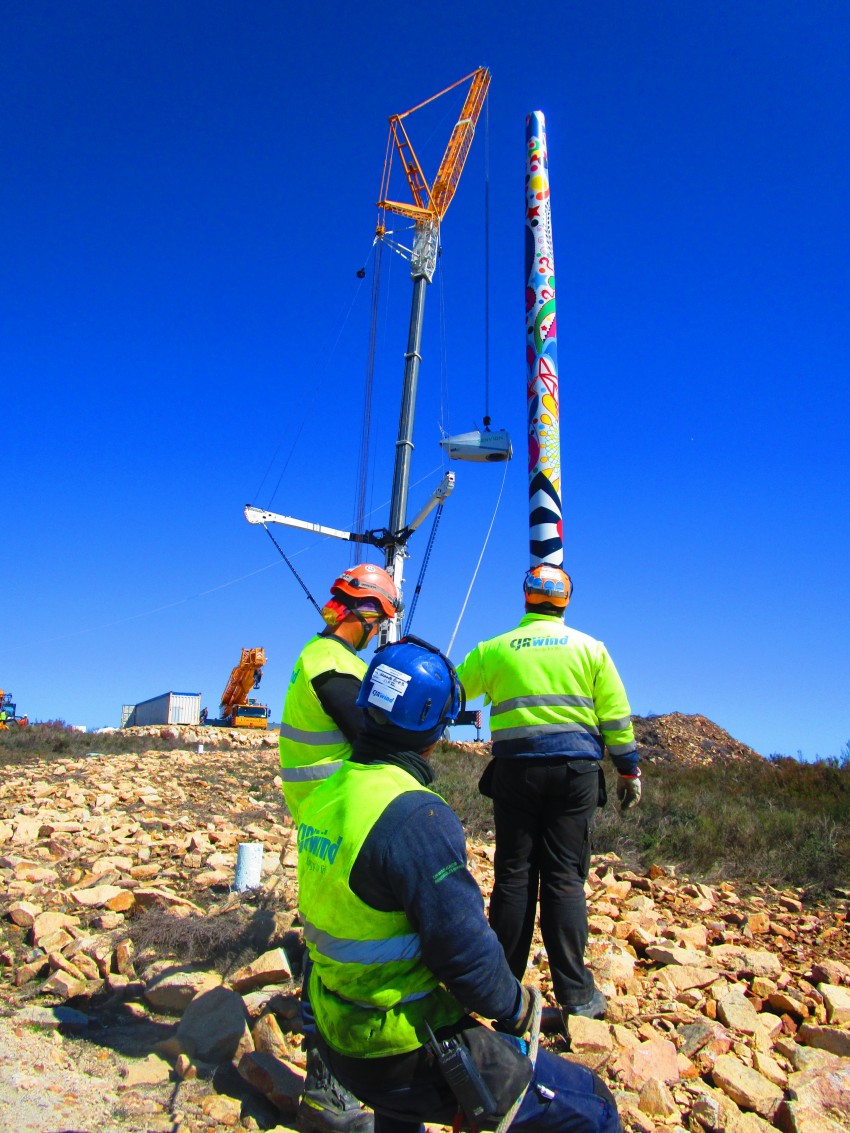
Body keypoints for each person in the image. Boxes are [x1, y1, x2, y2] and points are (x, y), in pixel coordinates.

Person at [296, 636, 621, 1133]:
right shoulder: (414, 815)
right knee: (593, 1105)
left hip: (338, 1036)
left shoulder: (321, 799)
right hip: (403, 1048)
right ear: (434, 731)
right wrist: (519, 1009)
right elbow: (464, 954)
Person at [455, 564, 641, 1025]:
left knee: (513, 875)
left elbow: (454, 690)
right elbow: (616, 716)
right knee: (564, 879)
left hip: (515, 771)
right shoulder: (591, 649)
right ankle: (576, 996)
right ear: (566, 602)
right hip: (575, 774)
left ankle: (500, 991)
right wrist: (627, 769)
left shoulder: (494, 649)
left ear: (525, 597)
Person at [280, 563, 400, 1133]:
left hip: (332, 815)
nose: (378, 632)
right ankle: (327, 1089)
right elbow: (368, 735)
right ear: (367, 614)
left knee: (331, 942)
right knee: (337, 948)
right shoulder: (330, 663)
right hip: (334, 820)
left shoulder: (330, 658)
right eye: (379, 621)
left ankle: (344, 1075)